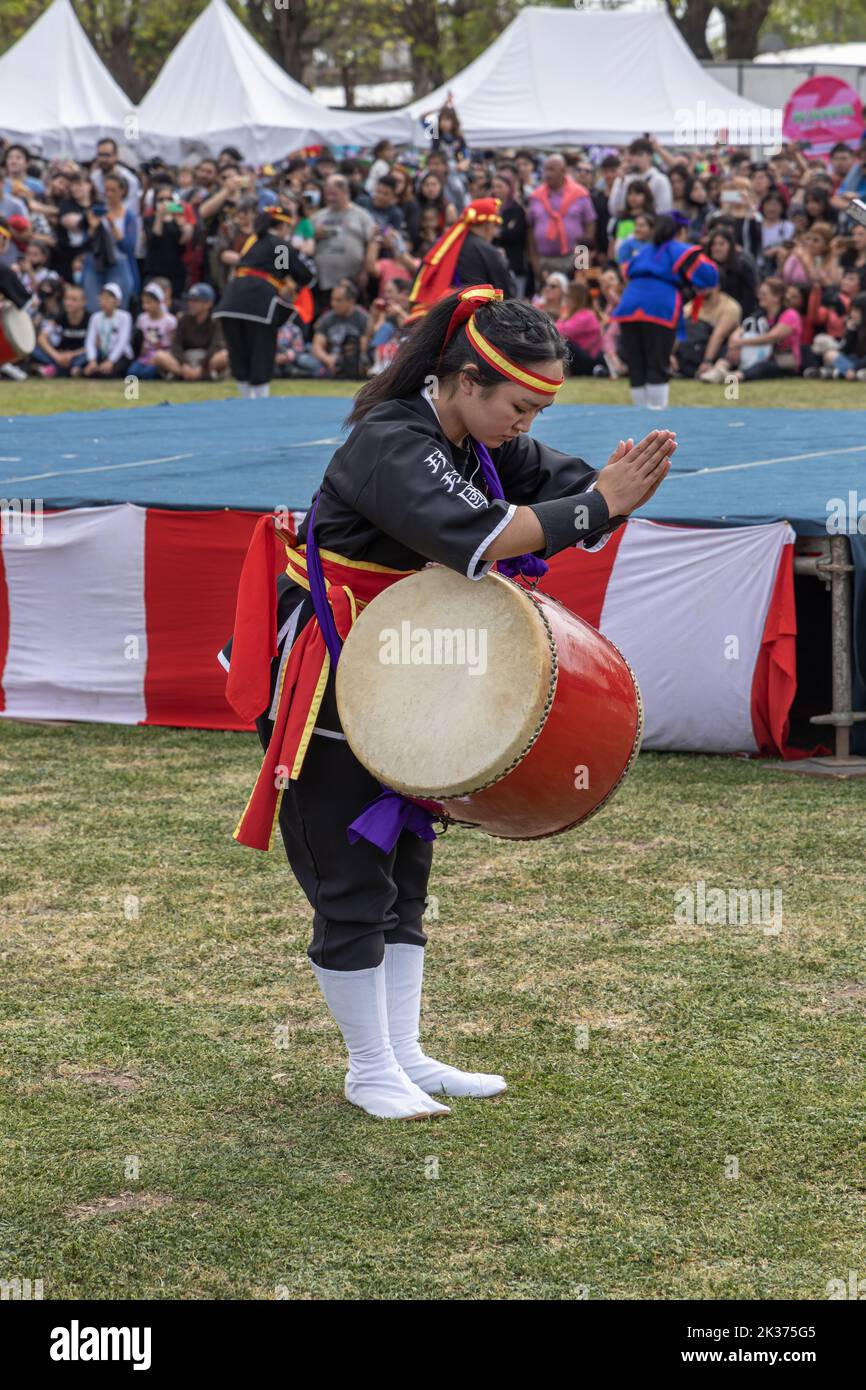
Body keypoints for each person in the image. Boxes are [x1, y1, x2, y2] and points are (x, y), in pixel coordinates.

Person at [219, 284, 676, 1120]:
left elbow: (563, 489)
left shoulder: (481, 442)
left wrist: (604, 492)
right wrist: (597, 504)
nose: (527, 423)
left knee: (406, 858)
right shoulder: (392, 443)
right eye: (519, 404)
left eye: (540, 407)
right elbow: (494, 536)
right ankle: (368, 1068)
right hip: (332, 670)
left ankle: (407, 1054)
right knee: (350, 864)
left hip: (408, 669)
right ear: (465, 381)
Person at [611, 213, 720, 407]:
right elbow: (709, 276)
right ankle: (657, 417)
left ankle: (641, 414)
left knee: (637, 366)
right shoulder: (680, 249)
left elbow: (626, 270)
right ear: (682, 231)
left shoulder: (644, 251)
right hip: (658, 306)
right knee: (658, 363)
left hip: (630, 304)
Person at [213, 208, 316, 398]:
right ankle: (261, 401)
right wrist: (297, 281)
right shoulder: (280, 245)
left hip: (231, 299)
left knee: (239, 350)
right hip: (258, 299)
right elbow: (295, 273)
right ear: (284, 225)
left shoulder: (252, 241)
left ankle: (245, 400)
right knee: (261, 349)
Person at [409, 197, 516, 309]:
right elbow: (507, 294)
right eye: (495, 226)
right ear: (488, 226)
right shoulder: (489, 251)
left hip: (440, 311)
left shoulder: (442, 246)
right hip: (477, 316)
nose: (495, 233)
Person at [712, 277, 803, 384]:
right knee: (728, 349)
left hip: (783, 360)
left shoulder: (790, 315)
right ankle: (718, 369)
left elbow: (772, 337)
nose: (760, 297)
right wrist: (734, 345)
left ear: (776, 297)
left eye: (764, 295)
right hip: (761, 354)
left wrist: (741, 342)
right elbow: (739, 331)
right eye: (760, 294)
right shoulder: (759, 314)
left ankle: (734, 377)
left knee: (762, 367)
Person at [527, 154, 595, 283]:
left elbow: (590, 227)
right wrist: (535, 262)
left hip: (573, 260)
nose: (547, 174)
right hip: (544, 261)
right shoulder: (536, 197)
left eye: (552, 169)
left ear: (563, 171)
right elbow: (531, 231)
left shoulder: (580, 194)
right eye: (545, 169)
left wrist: (582, 262)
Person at [151, 283, 228, 381]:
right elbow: (176, 345)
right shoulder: (183, 319)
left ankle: (194, 374)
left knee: (224, 355)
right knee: (159, 356)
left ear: (208, 304)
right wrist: (184, 364)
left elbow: (216, 345)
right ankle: (199, 375)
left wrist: (202, 365)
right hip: (186, 359)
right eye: (190, 300)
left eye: (195, 301)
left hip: (207, 359)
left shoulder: (216, 321)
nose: (191, 304)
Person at [33, 281, 90, 377]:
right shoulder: (60, 317)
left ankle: (67, 369)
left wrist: (72, 354)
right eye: (66, 299)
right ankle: (65, 369)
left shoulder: (90, 319)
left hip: (78, 356)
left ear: (83, 302)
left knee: (92, 353)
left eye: (74, 300)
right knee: (34, 348)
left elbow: (94, 345)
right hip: (60, 356)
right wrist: (57, 356)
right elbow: (42, 337)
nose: (68, 303)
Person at [82, 283, 133, 377]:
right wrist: (92, 360)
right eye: (102, 298)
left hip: (121, 356)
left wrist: (110, 361)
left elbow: (122, 342)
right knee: (89, 369)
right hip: (103, 354)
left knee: (110, 372)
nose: (104, 301)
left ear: (117, 301)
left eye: (108, 298)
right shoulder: (95, 317)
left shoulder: (125, 317)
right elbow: (90, 340)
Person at [131, 282, 177, 379]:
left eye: (149, 302)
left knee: (147, 374)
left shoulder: (170, 320)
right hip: (147, 354)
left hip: (163, 354)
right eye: (144, 303)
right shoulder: (142, 318)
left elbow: (174, 342)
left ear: (159, 302)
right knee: (132, 372)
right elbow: (142, 338)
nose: (145, 306)